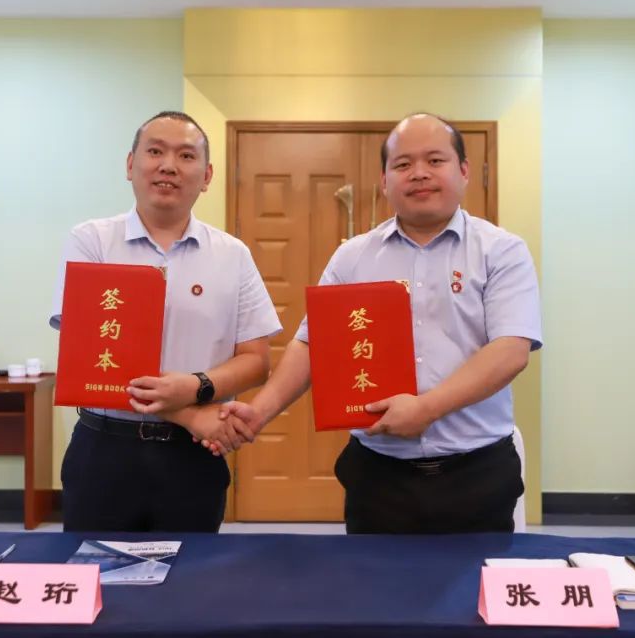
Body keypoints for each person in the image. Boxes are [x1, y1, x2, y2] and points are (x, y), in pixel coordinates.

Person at [209, 113, 542, 534]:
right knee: (372, 577)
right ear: (385, 181)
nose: (418, 173)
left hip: (477, 473)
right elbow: (313, 345)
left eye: (434, 160)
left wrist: (425, 409)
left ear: (463, 171)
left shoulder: (501, 251)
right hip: (379, 475)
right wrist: (258, 412)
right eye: (403, 164)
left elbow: (510, 351)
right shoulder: (353, 257)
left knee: (474, 577)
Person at [50, 111, 280, 532]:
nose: (168, 166)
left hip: (192, 457)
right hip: (105, 450)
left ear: (207, 175)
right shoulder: (92, 241)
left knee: (191, 571)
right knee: (95, 566)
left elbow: (256, 361)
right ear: (130, 164)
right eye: (155, 152)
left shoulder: (232, 254)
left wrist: (196, 387)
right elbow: (90, 362)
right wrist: (189, 414)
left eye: (186, 155)